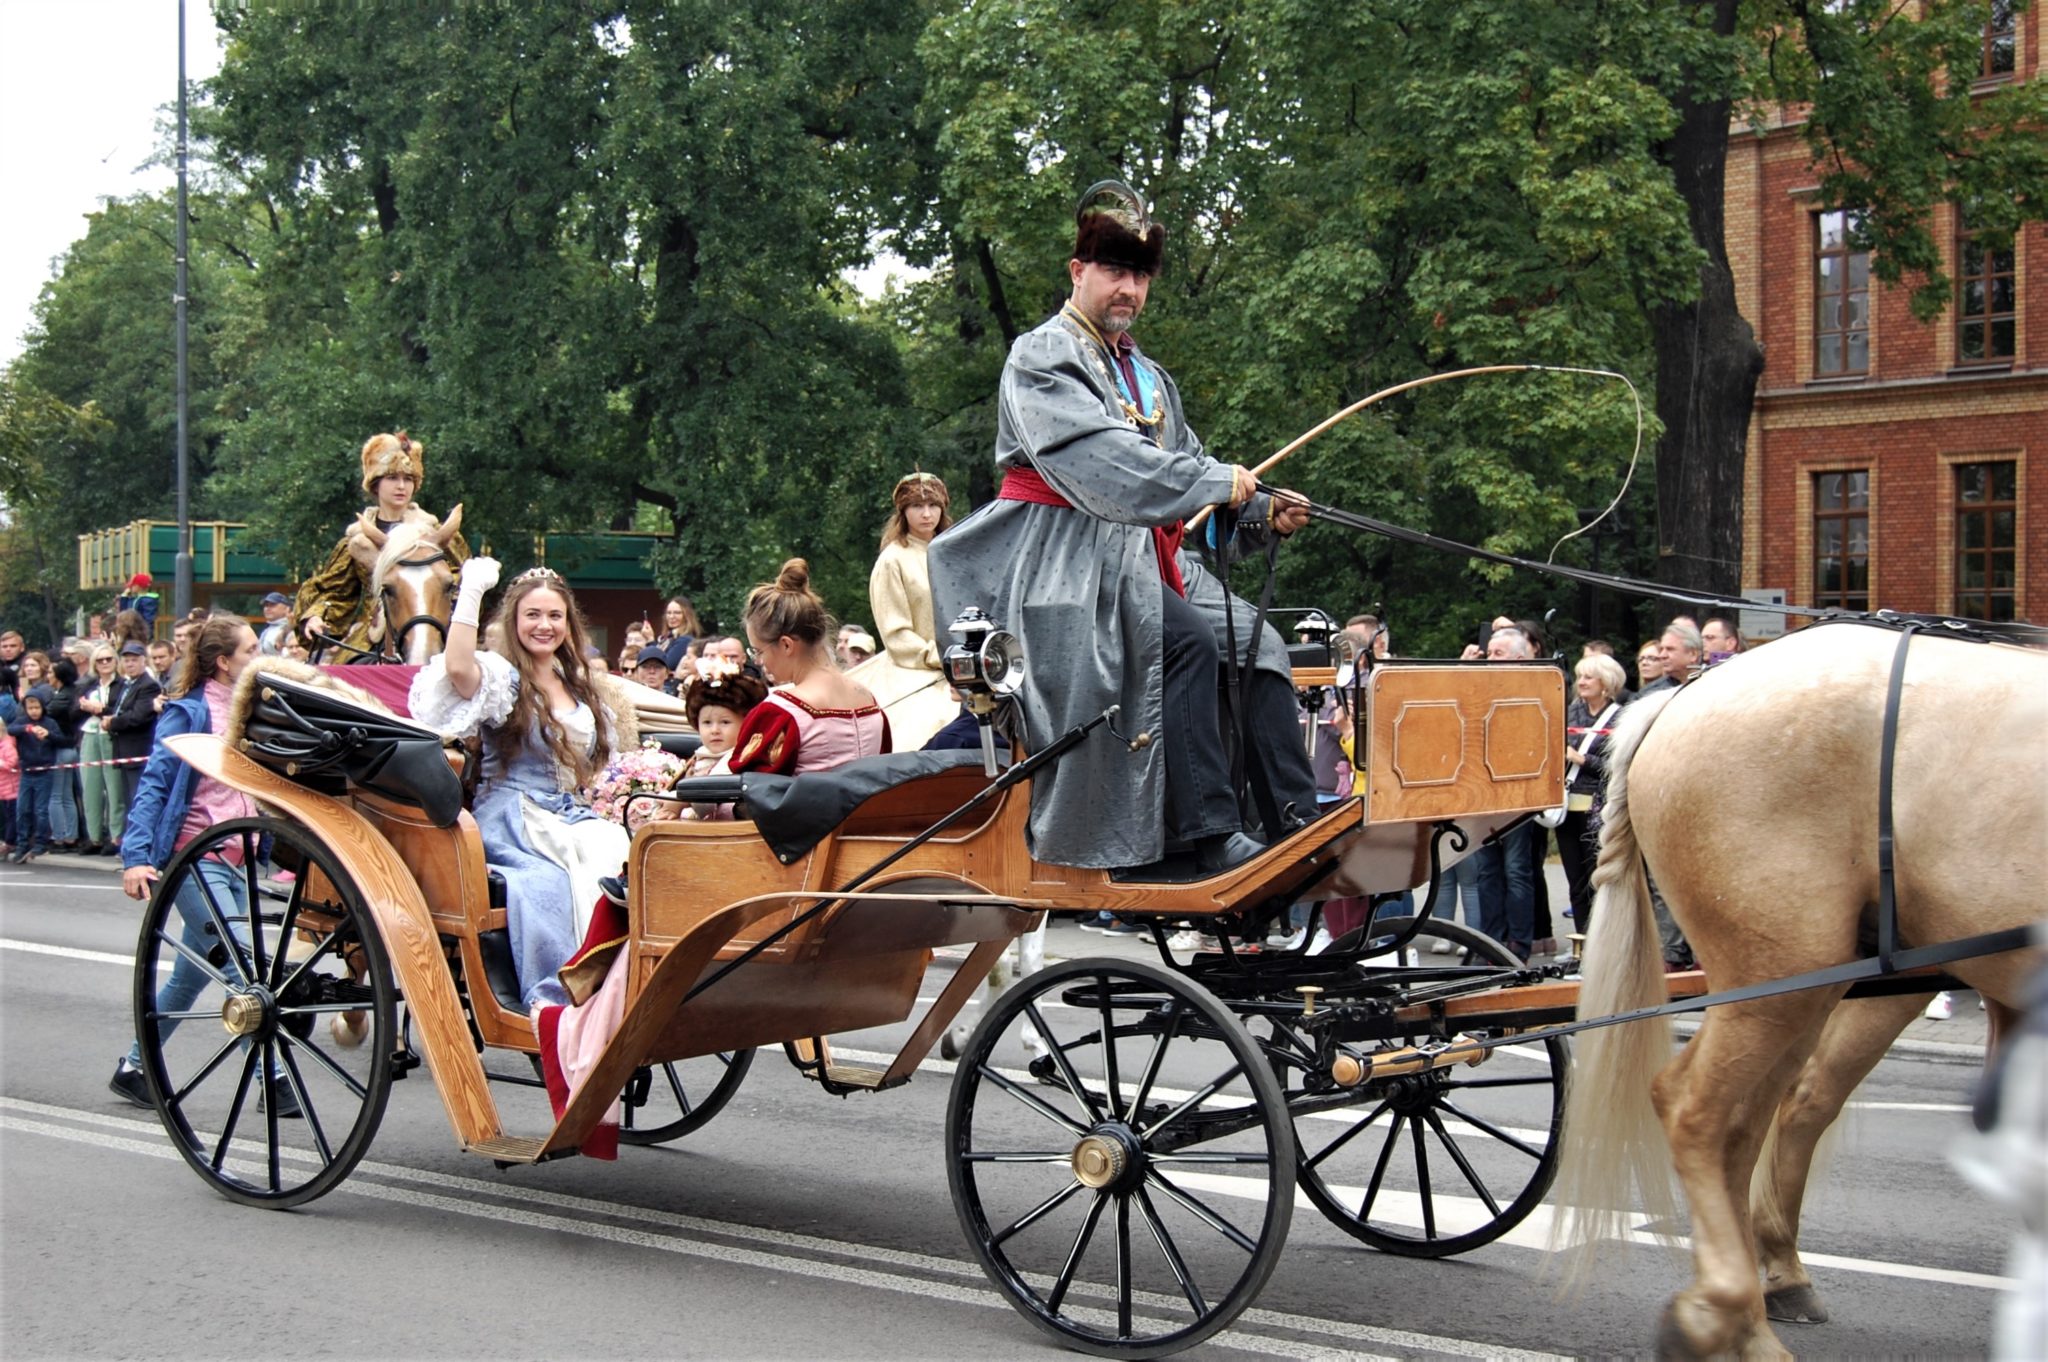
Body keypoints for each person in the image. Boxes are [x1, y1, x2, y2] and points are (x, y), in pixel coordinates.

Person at [929, 179, 1314, 873]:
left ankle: (1294, 824)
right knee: (1187, 641)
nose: (1127, 288)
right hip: (1061, 564)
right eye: (1114, 271)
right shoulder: (1042, 355)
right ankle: (1194, 840)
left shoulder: (1149, 377)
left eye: (1139, 275)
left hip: (1142, 558)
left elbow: (1193, 482)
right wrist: (1210, 480)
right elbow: (1106, 469)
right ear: (1079, 272)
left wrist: (1258, 510)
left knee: (1259, 645)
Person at [408, 560, 629, 1012]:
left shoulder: (579, 686)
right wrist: (471, 591)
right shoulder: (501, 678)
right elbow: (456, 668)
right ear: (514, 622)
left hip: (567, 811)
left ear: (569, 624)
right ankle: (557, 996)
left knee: (618, 853)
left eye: (554, 616)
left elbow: (589, 769)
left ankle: (618, 984)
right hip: (513, 813)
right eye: (533, 615)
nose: (544, 625)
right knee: (551, 881)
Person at [107, 615, 279, 1110]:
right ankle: (272, 1077)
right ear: (224, 663)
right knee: (242, 962)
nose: (258, 657)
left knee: (191, 974)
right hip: (195, 856)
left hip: (240, 859)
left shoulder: (251, 709)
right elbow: (155, 785)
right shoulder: (189, 711)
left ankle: (134, 1067)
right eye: (250, 650)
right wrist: (136, 858)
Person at [293, 431, 469, 658]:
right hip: (373, 641)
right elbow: (334, 593)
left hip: (436, 636)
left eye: (408, 479)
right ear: (375, 485)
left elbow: (462, 584)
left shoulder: (439, 537)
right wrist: (317, 616)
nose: (401, 486)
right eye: (392, 478)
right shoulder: (356, 543)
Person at [731, 559, 889, 775]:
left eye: (758, 651)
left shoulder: (781, 712)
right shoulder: (869, 700)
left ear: (786, 644)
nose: (758, 661)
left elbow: (748, 792)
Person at [858, 470, 962, 749]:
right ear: (903, 511)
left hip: (962, 665)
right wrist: (938, 655)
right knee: (930, 729)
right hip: (914, 668)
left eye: (933, 505)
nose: (927, 514)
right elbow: (896, 634)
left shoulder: (953, 551)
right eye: (917, 506)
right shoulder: (892, 560)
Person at [1558, 652, 1627, 936]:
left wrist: (1582, 760)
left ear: (1606, 682)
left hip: (1598, 811)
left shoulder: (1621, 717)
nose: (1581, 682)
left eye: (1589, 676)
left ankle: (1603, 940)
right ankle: (1581, 943)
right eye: (1580, 676)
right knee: (1575, 881)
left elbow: (1618, 766)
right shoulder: (1570, 712)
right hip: (1565, 808)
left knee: (1595, 878)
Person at [674, 656, 768, 818]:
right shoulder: (701, 756)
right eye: (707, 723)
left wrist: (680, 800)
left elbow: (704, 806)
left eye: (725, 722)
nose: (714, 730)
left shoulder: (737, 759)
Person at [73, 643, 126, 854]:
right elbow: (72, 713)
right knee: (90, 787)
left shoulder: (122, 685)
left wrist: (100, 709)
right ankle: (93, 836)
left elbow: (122, 711)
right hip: (89, 734)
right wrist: (86, 708)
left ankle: (116, 837)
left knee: (115, 790)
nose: (104, 663)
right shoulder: (88, 685)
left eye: (108, 659)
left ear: (115, 661)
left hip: (111, 736)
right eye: (100, 660)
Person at [104, 641, 161, 819]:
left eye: (134, 660)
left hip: (138, 750)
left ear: (144, 661)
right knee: (129, 800)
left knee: (138, 799)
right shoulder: (127, 684)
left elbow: (138, 717)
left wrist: (112, 723)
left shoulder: (148, 685)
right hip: (123, 750)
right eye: (126, 660)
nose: (130, 664)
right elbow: (119, 710)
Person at [6, 689, 59, 862]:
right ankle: (22, 843)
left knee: (41, 810)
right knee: (22, 809)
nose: (34, 711)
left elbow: (63, 739)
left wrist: (48, 735)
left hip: (44, 772)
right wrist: (27, 728)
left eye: (37, 707)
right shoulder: (22, 722)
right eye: (30, 708)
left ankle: (41, 842)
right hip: (27, 772)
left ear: (43, 707)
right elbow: (11, 729)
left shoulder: (50, 723)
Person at [41, 657, 83, 851]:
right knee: (66, 796)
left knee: (56, 796)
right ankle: (71, 835)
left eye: (50, 673)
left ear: (59, 676)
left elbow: (44, 715)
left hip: (61, 747)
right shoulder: (70, 693)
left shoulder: (60, 699)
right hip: (71, 747)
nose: (48, 676)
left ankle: (59, 836)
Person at [654, 597, 701, 672]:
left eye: (677, 613)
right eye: (669, 613)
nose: (672, 617)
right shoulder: (666, 639)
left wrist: (649, 642)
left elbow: (666, 664)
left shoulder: (685, 640)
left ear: (687, 616)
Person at [256, 591, 294, 655]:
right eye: (266, 605)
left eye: (272, 605)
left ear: (287, 609)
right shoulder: (267, 629)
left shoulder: (291, 629)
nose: (267, 608)